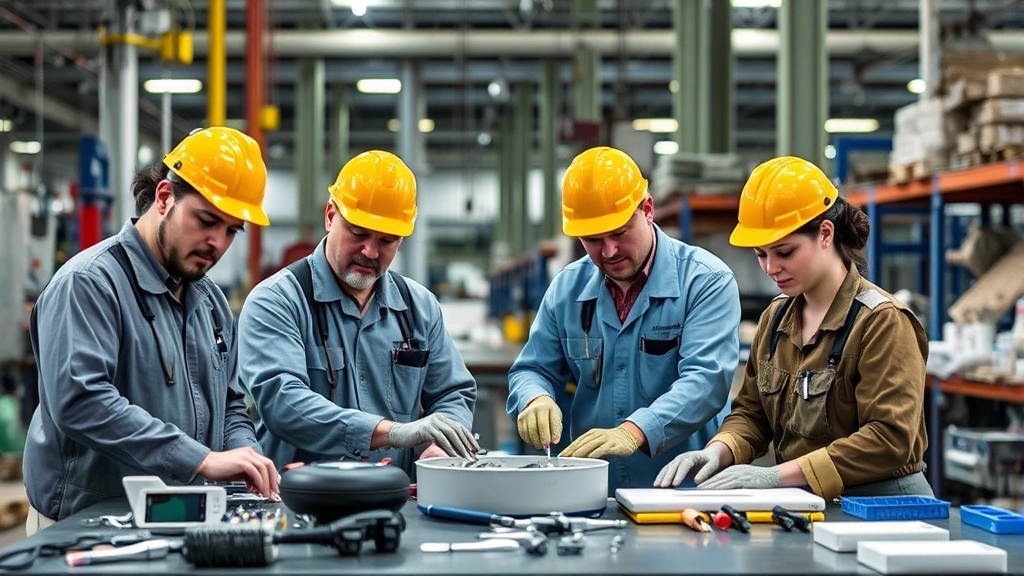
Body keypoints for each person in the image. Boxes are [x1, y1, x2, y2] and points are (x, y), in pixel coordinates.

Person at [24, 127, 280, 533]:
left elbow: (231, 402)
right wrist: (198, 459)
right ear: (164, 197)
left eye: (232, 230)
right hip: (85, 525)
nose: (217, 242)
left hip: (177, 517)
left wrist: (243, 452)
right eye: (207, 220)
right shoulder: (90, 283)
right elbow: (81, 400)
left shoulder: (210, 300)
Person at [654, 156, 931, 499]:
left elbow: (890, 439)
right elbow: (752, 413)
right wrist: (719, 450)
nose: (771, 268)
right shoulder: (775, 321)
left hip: (885, 508)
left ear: (825, 234)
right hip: (808, 502)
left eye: (784, 252)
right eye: (761, 254)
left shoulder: (881, 322)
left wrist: (776, 476)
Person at [507, 146, 741, 492]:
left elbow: (706, 383)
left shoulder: (705, 281)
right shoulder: (567, 289)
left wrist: (635, 431)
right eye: (593, 240)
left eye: (619, 233)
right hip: (594, 491)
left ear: (647, 209)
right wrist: (535, 398)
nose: (610, 251)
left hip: (686, 493)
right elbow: (533, 369)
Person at [238, 150, 478, 477]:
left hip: (396, 502)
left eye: (387, 241)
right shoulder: (278, 301)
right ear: (329, 215)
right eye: (358, 233)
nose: (370, 252)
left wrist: (441, 444)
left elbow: (453, 392)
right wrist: (392, 432)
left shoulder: (420, 308)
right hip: (301, 502)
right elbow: (283, 403)